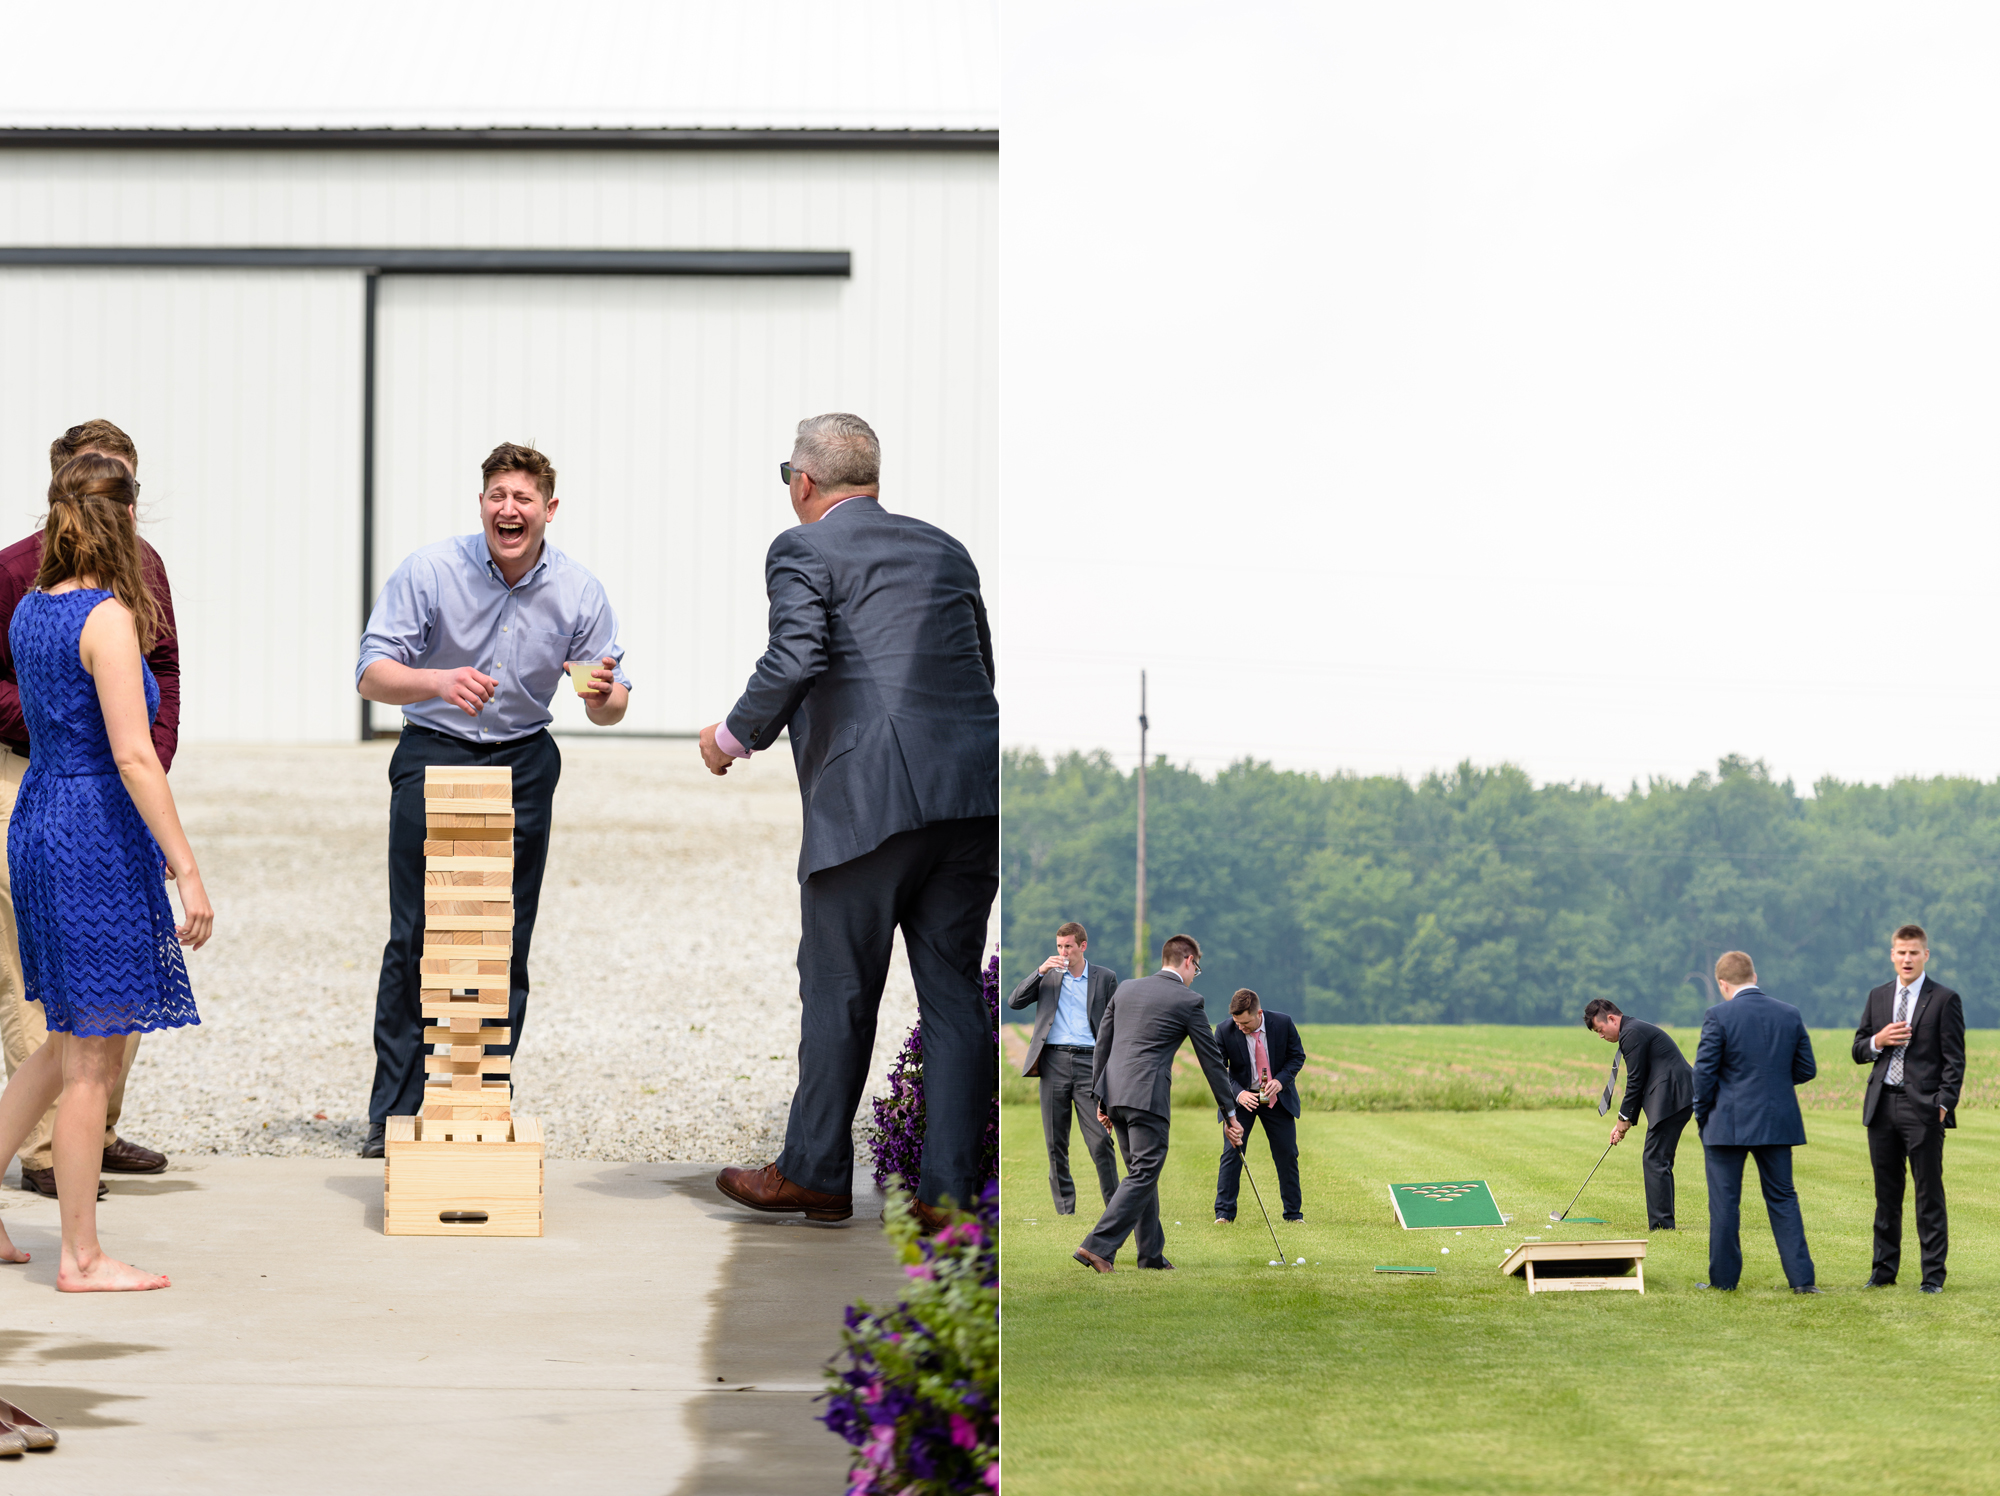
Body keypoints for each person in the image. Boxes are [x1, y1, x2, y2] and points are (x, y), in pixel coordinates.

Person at [703, 414, 998, 1229]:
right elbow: (982, 667)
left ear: (803, 482)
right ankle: (947, 1198)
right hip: (972, 798)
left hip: (868, 804)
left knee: (838, 991)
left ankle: (816, 1173)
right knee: (950, 998)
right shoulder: (946, 549)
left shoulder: (801, 549)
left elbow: (796, 657)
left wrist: (730, 739)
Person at [355, 442, 630, 1157]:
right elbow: (371, 675)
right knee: (416, 935)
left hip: (524, 759)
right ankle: (396, 1114)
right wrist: (439, 681)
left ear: (548, 509)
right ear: (482, 502)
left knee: (504, 936)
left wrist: (606, 697)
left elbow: (611, 701)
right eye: (498, 496)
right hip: (433, 750)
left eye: (524, 499)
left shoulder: (578, 590)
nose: (510, 510)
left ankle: (480, 1103)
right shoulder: (430, 571)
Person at [0, 453, 212, 1289]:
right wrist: (185, 867)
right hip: (92, 829)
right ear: (125, 518)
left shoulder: (31, 610)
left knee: (58, 1045)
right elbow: (132, 753)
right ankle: (81, 1257)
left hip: (39, 813)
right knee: (92, 1054)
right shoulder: (108, 619)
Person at [1074, 935, 1242, 1273]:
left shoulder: (1126, 989)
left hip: (1115, 1094)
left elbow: (1102, 1043)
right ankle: (1097, 1247)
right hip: (1146, 1097)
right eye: (1197, 967)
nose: (1196, 973)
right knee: (1144, 1172)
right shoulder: (1189, 1000)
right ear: (1188, 960)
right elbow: (1211, 1062)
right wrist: (1231, 1112)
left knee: (1140, 1174)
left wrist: (1100, 1098)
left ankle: (1150, 1256)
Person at [1691, 951, 1818, 1293]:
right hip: (1777, 1121)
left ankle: (1724, 1282)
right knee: (1783, 1199)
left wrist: (1703, 1114)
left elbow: (1704, 1074)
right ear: (1755, 975)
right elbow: (1807, 1069)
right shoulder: (1789, 1014)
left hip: (1726, 1123)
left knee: (1725, 1204)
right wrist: (1774, 1083)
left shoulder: (1718, 1016)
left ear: (1722, 983)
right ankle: (1803, 1282)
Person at [1853, 923, 1964, 1293]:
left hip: (1924, 1110)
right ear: (1892, 955)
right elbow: (1857, 1049)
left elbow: (1954, 1061)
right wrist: (1878, 1040)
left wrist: (1943, 1105)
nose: (1907, 958)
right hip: (1882, 1105)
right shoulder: (1878, 996)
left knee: (1928, 1193)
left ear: (1925, 955)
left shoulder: (1945, 999)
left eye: (1914, 952)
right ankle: (1883, 1272)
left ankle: (1933, 1277)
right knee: (1886, 1194)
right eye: (1900, 952)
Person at [1008, 922, 1121, 1215]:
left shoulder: (1105, 977)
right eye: (1059, 946)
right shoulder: (1048, 977)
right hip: (1053, 1062)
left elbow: (1115, 1024)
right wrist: (1040, 971)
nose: (1063, 952)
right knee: (1055, 1143)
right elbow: (1014, 1001)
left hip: (1090, 1063)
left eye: (1068, 946)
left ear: (1083, 946)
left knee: (1100, 1141)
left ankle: (1116, 1206)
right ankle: (1065, 1209)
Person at [1583, 998, 1694, 1230]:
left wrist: (1623, 1119)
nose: (1601, 1036)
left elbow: (1635, 1081)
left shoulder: (1631, 1033)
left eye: (1601, 1030)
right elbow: (1639, 1079)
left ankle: (1662, 1225)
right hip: (1674, 1095)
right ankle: (1664, 1222)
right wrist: (1623, 1121)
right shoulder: (1632, 1030)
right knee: (1658, 1158)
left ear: (1612, 1019)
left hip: (1673, 1095)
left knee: (1654, 1159)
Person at [1212, 988, 1306, 1225]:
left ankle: (1293, 1214)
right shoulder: (1224, 1030)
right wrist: (1239, 1093)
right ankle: (1224, 1214)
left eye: (1245, 1023)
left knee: (1287, 1154)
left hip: (1275, 1098)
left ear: (1258, 1013)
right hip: (1242, 1100)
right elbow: (1217, 1070)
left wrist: (1280, 1081)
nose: (1241, 1028)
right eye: (1237, 1023)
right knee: (1232, 1153)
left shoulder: (1283, 1023)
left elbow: (1297, 1056)